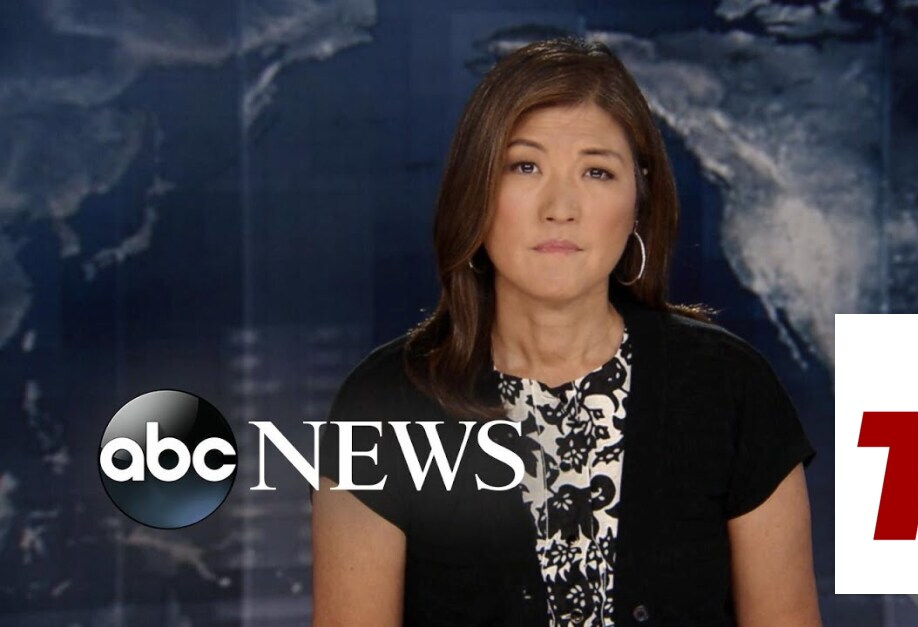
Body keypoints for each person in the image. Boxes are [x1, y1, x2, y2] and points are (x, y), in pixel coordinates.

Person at [312, 36, 819, 626]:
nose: (560, 207)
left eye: (597, 172)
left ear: (637, 200)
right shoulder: (380, 406)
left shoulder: (731, 389)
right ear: (476, 189)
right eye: (525, 166)